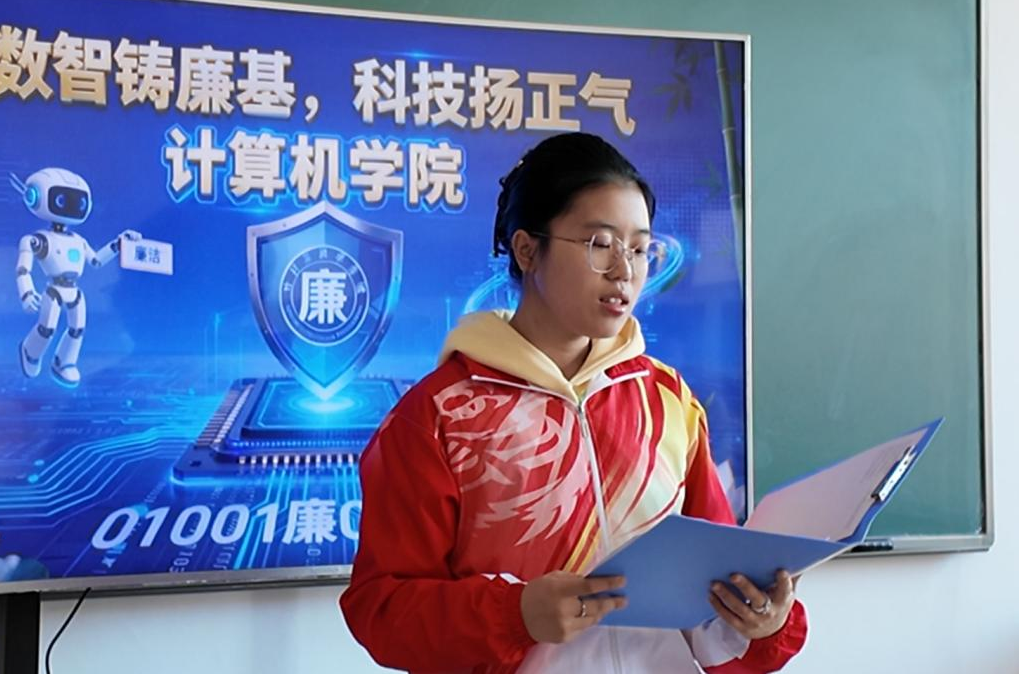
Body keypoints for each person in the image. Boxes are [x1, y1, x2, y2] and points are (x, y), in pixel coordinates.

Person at [340, 133, 807, 673]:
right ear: (526, 250)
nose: (624, 271)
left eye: (639, 248)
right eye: (600, 244)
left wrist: (760, 618)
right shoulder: (440, 415)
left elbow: (716, 576)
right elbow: (383, 609)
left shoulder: (667, 401)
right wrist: (515, 614)